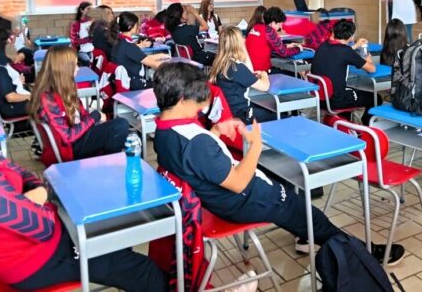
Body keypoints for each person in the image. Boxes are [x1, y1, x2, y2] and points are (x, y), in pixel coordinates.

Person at [0, 74, 169, 291]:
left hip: (32, 243)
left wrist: (30, 196)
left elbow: (22, 174)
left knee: (113, 235)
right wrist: (36, 195)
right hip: (38, 260)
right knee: (143, 270)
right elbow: (41, 226)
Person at [152, 62, 404, 263]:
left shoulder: (162, 131)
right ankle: (362, 256)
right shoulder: (196, 142)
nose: (201, 108)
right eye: (198, 102)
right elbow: (239, 182)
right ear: (182, 99)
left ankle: (307, 234)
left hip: (220, 199)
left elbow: (195, 159)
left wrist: (216, 132)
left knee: (291, 188)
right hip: (244, 199)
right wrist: (256, 147)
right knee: (310, 212)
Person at [29, 46, 132, 166]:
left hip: (76, 139)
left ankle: (110, 164)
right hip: (68, 150)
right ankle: (110, 166)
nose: (77, 69)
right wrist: (95, 117)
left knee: (119, 130)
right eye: (74, 65)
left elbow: (82, 116)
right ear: (63, 69)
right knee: (120, 126)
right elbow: (67, 137)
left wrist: (95, 120)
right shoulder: (48, 99)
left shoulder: (61, 89)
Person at [311, 20, 379, 125]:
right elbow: (372, 69)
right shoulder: (345, 52)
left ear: (334, 32)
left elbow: (339, 52)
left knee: (348, 92)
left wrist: (355, 46)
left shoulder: (323, 46)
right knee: (375, 98)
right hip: (335, 101)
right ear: (351, 36)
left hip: (319, 98)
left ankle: (343, 124)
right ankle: (366, 128)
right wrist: (368, 58)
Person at [210, 26, 276, 124]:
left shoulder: (221, 64)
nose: (244, 38)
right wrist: (264, 75)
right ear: (237, 44)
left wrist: (243, 47)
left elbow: (250, 71)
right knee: (278, 115)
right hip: (241, 115)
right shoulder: (236, 68)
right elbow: (265, 87)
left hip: (227, 112)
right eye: (242, 37)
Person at [109, 11, 170, 90]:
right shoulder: (128, 45)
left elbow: (141, 57)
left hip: (125, 81)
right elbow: (154, 64)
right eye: (137, 24)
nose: (139, 26)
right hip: (134, 84)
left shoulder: (120, 41)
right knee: (166, 86)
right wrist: (173, 67)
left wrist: (162, 56)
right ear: (130, 27)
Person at [245, 7, 301, 72]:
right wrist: (298, 49)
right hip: (262, 72)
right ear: (273, 22)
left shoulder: (256, 27)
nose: (280, 27)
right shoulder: (269, 31)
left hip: (251, 70)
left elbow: (265, 46)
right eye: (279, 24)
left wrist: (286, 46)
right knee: (293, 74)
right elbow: (284, 53)